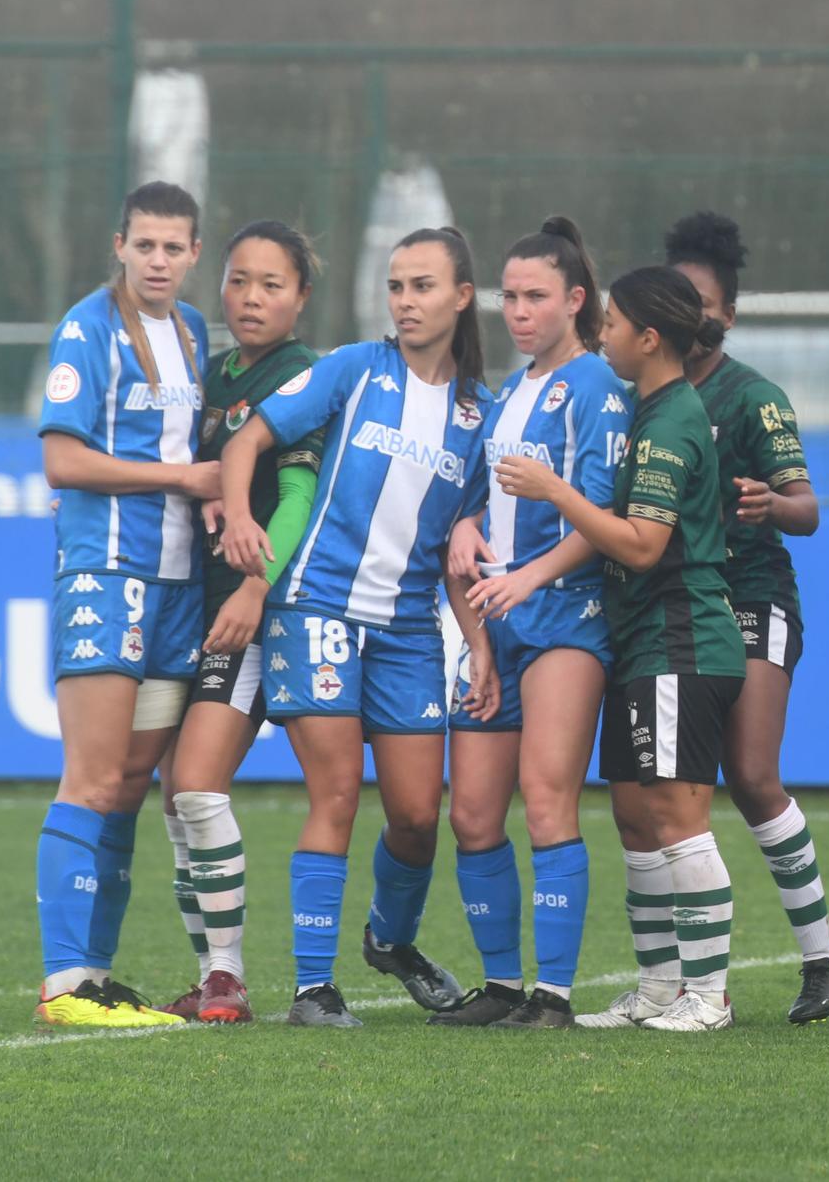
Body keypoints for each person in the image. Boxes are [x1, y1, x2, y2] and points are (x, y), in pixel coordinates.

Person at [219, 226, 493, 1027]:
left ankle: (390, 940)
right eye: (396, 286)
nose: (405, 301)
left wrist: (478, 646)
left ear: (462, 297)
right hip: (318, 607)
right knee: (337, 792)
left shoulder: (482, 412)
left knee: (416, 815)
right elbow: (250, 438)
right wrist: (241, 520)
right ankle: (312, 987)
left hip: (410, 626)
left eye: (422, 286)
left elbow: (460, 550)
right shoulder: (352, 369)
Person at [503, 266, 748, 1034]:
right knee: (638, 818)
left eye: (612, 323)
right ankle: (657, 987)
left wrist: (556, 492)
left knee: (678, 815)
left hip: (682, 637)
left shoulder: (673, 421)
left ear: (648, 338)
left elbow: (643, 545)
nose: (602, 333)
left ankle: (708, 995)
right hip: (644, 642)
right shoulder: (651, 411)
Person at [436, 218, 628, 1029]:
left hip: (564, 617)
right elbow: (487, 501)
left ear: (575, 300)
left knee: (546, 798)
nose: (517, 311)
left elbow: (602, 516)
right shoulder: (508, 394)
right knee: (473, 812)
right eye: (509, 297)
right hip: (495, 617)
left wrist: (528, 578)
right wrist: (467, 526)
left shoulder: (596, 387)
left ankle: (553, 992)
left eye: (534, 296)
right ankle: (503, 984)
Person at [34, 181, 216, 1029]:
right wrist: (182, 479)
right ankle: (65, 981)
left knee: (134, 784)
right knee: (96, 775)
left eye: (173, 246)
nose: (157, 259)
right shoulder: (88, 327)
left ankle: (96, 977)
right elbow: (63, 462)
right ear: (119, 245)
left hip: (178, 588)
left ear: (193, 254)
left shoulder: (194, 332)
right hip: (108, 577)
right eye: (144, 244)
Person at [661, 211, 829, 1024]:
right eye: (677, 299)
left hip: (751, 599)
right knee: (671, 792)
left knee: (752, 773)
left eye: (703, 302)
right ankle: (682, 981)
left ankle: (823, 960)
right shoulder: (644, 394)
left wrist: (771, 501)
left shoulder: (752, 397)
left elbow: (807, 508)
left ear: (728, 314)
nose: (690, 313)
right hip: (673, 605)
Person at [157, 221, 325, 1024]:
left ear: (301, 298)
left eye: (271, 284)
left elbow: (297, 497)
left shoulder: (301, 378)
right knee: (174, 794)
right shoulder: (216, 371)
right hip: (195, 604)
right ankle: (212, 974)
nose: (251, 298)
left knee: (195, 782)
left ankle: (226, 976)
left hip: (258, 611)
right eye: (238, 281)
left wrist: (257, 587)